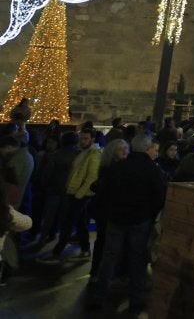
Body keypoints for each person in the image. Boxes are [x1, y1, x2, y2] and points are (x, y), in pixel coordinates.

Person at [86, 133, 166, 314]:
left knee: (109, 258)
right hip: (140, 220)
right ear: (147, 148)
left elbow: (104, 191)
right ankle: (135, 300)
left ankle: (99, 297)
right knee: (137, 260)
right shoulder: (153, 171)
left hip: (116, 218)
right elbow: (159, 197)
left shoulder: (118, 168)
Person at [43, 126, 101, 260]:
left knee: (68, 224)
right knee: (79, 223)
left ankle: (57, 252)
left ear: (92, 139)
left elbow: (91, 177)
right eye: (81, 138)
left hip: (80, 195)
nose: (83, 141)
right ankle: (85, 249)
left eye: (86, 138)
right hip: (75, 193)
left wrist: (79, 194)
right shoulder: (84, 152)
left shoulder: (93, 155)